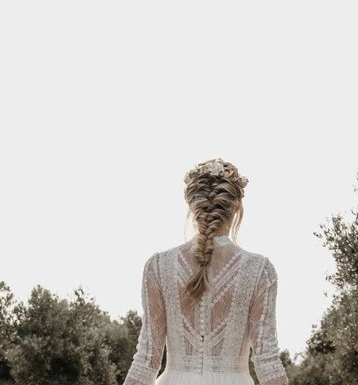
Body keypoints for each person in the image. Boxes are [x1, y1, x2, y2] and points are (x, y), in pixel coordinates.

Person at [123, 158, 289, 385]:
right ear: (238, 206)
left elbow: (147, 359)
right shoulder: (259, 270)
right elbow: (267, 360)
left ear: (192, 206)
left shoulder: (159, 266)